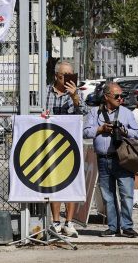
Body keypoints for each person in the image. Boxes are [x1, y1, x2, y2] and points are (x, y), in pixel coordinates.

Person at [83, 83, 138, 238]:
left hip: (122, 159)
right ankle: (113, 227)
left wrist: (124, 131)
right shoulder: (95, 112)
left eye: (121, 96)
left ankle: (127, 227)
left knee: (126, 195)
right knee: (108, 196)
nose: (120, 99)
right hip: (103, 159)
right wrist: (100, 129)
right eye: (117, 96)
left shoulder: (126, 113)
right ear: (106, 96)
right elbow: (85, 132)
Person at [45, 60, 87, 238]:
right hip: (50, 142)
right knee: (55, 181)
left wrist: (74, 97)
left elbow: (85, 114)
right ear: (56, 76)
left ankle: (69, 222)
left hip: (71, 145)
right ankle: (55, 221)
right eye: (64, 76)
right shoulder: (45, 92)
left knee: (70, 181)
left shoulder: (76, 94)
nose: (68, 79)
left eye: (71, 75)